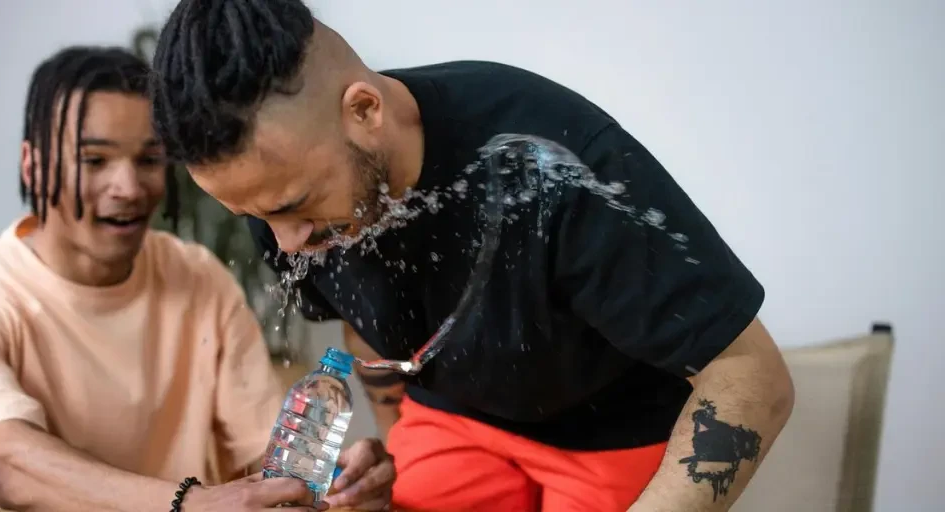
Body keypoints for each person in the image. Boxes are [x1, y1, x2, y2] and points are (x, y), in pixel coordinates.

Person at [150, 1, 796, 511]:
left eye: (295, 206)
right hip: (455, 421)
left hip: (616, 429)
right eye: (256, 217)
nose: (286, 244)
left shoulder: (556, 163)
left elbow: (752, 378)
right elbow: (359, 320)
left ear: (365, 110)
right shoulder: (276, 192)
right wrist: (393, 444)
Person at [0, 45, 393, 512]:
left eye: (149, 160)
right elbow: (8, 462)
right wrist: (190, 504)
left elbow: (267, 457)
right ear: (32, 164)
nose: (127, 187)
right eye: (94, 161)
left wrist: (335, 483)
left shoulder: (197, 276)